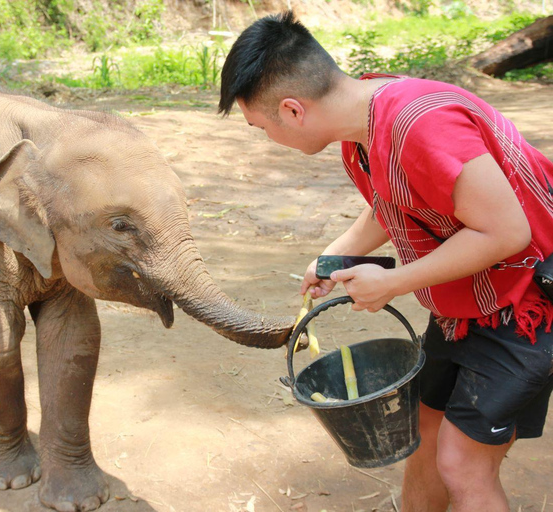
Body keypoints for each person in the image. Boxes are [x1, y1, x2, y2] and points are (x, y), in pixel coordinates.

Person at [218, 10, 553, 512]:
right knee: (426, 426)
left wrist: (395, 282)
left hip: (526, 302)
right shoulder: (363, 127)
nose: (267, 138)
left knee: (463, 466)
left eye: (261, 126)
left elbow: (507, 232)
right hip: (470, 299)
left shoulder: (420, 124)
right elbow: (396, 197)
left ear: (292, 110)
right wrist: (333, 256)